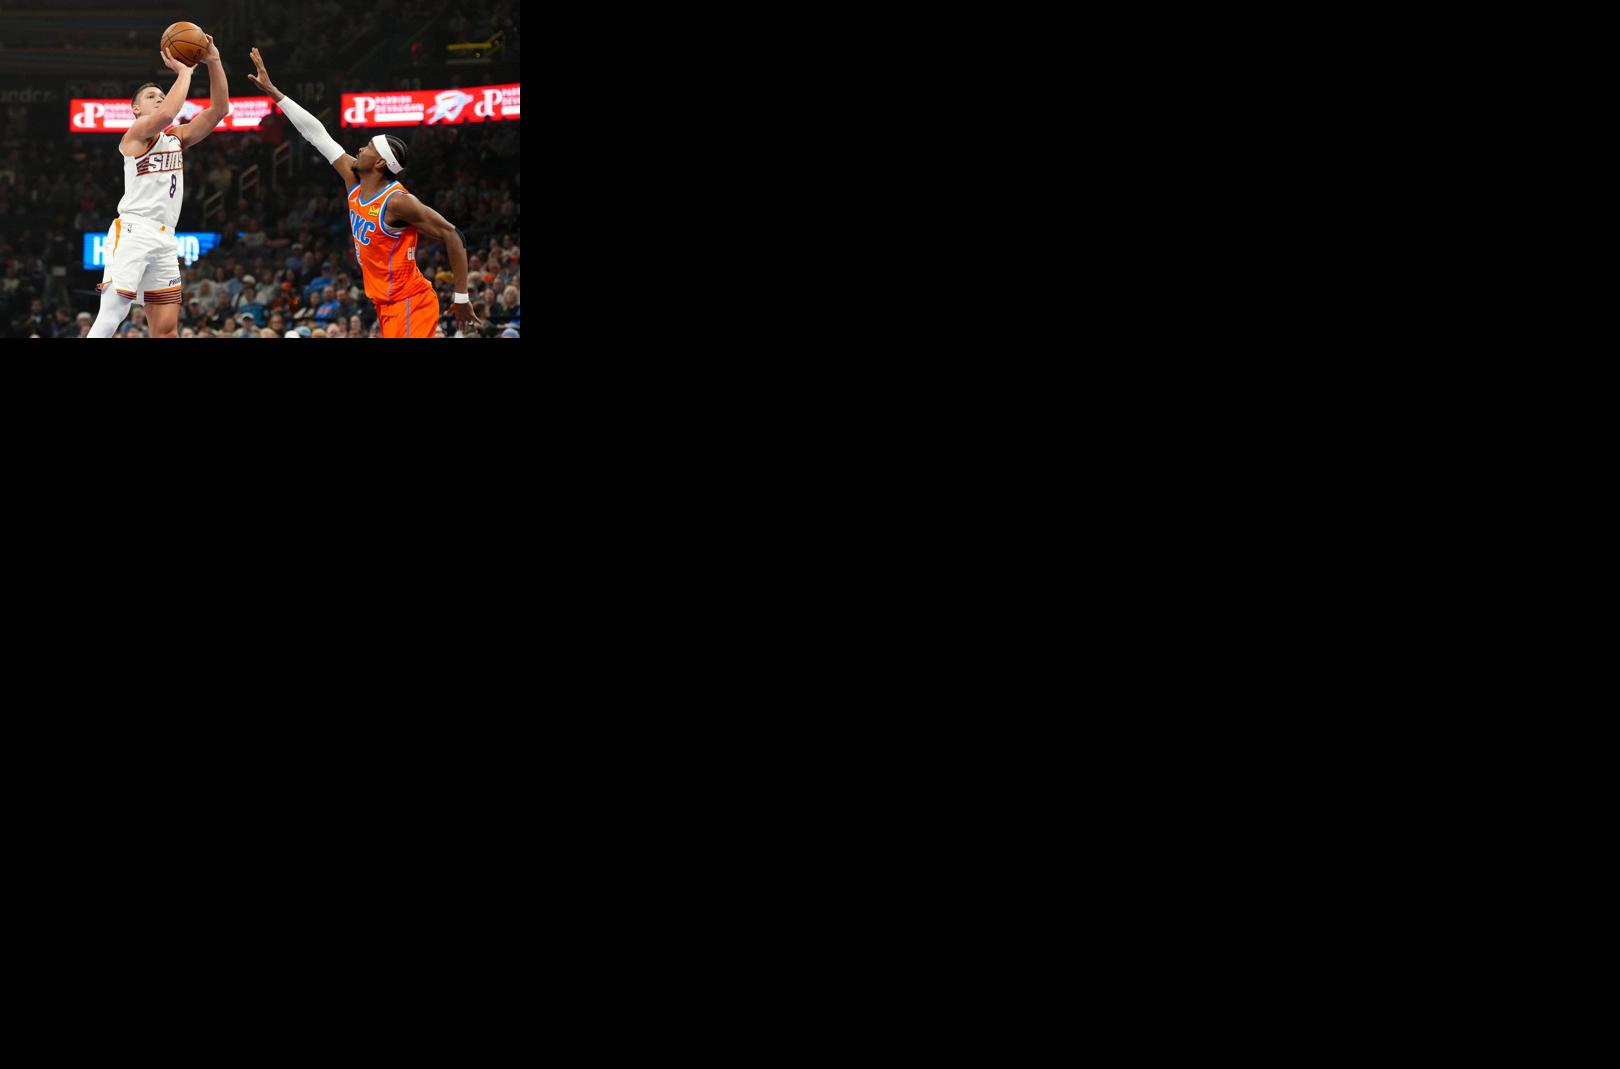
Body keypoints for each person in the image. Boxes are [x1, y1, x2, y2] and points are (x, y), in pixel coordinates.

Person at [247, 46, 481, 337]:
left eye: (369, 147)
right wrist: (274, 92)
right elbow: (316, 134)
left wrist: (461, 297)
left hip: (411, 302)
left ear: (381, 163)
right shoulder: (353, 178)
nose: (360, 148)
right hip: (384, 305)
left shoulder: (397, 202)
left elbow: (452, 234)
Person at [88, 35, 231, 338]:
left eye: (161, 94)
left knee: (166, 331)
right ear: (135, 109)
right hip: (134, 230)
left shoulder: (176, 138)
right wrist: (185, 72)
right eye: (151, 96)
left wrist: (214, 61)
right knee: (114, 312)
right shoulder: (135, 135)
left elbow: (220, 110)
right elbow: (167, 113)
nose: (159, 98)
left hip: (166, 238)